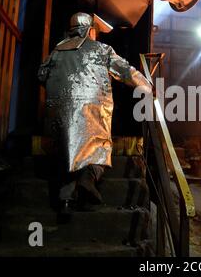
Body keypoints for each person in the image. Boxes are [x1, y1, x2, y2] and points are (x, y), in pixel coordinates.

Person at [38, 12, 152, 217]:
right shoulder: (102, 49)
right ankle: (88, 178)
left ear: (70, 30)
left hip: (61, 110)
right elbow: (125, 71)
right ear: (91, 30)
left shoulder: (56, 51)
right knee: (98, 146)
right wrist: (146, 86)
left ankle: (65, 201)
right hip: (94, 109)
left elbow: (41, 75)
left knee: (67, 152)